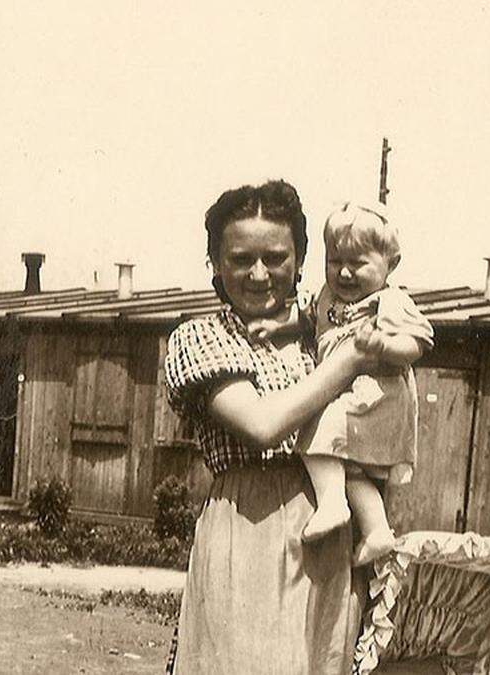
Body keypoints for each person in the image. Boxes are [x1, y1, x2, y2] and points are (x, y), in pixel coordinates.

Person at [163, 180, 380, 674]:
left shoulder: (323, 338)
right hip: (247, 529)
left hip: (331, 533)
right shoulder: (200, 338)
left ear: (301, 260)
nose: (259, 274)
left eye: (276, 258)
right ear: (216, 264)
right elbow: (262, 426)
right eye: (241, 259)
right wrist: (347, 363)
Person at [249, 201, 433, 567]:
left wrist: (385, 345)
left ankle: (332, 504)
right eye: (336, 262)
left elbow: (419, 342)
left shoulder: (390, 302)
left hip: (376, 395)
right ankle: (377, 530)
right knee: (349, 468)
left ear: (390, 265)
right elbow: (304, 319)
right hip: (348, 396)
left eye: (358, 264)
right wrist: (277, 327)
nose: (345, 274)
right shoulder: (327, 297)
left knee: (314, 424)